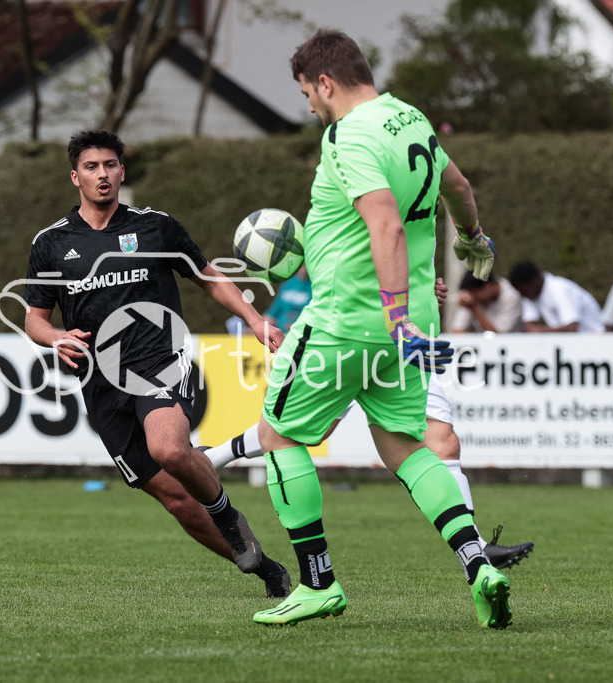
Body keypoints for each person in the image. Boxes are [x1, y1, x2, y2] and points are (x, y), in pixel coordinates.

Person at [245, 29, 512, 628]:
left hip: (351, 319)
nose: (309, 107)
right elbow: (459, 187)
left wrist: (393, 315)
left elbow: (385, 224)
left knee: (278, 434)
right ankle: (478, 566)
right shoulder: (411, 119)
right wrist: (473, 237)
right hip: (412, 325)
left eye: (307, 94)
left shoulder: (348, 133)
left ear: (326, 83)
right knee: (405, 447)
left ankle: (318, 584)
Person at [21, 129, 290, 599]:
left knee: (168, 449)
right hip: (100, 383)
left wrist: (253, 319)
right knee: (178, 501)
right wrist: (56, 337)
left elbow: (209, 277)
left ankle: (228, 514)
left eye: (110, 165)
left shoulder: (155, 227)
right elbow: (34, 319)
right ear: (75, 177)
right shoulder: (51, 243)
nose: (102, 174)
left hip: (160, 360)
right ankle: (267, 569)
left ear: (122, 171)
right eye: (91, 167)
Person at [206, 278, 534, 571]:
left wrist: (420, 287)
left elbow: (406, 253)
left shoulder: (417, 229)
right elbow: (373, 252)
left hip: (403, 340)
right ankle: (210, 459)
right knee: (305, 431)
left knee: (444, 441)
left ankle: (475, 550)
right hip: (355, 334)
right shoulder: (357, 231)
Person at [508, 261, 604, 333]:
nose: (522, 296)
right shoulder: (530, 295)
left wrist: (541, 331)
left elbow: (572, 328)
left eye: (523, 291)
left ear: (534, 282)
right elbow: (529, 327)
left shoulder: (559, 288)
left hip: (594, 342)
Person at [451, 271, 524, 333]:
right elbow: (457, 330)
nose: (473, 297)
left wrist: (474, 308)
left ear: (487, 286)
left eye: (474, 293)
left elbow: (497, 336)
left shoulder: (512, 297)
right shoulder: (473, 299)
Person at [264, 265, 311, 333]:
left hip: (301, 331)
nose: (304, 267)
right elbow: (272, 313)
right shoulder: (288, 282)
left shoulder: (315, 285)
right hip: (280, 331)